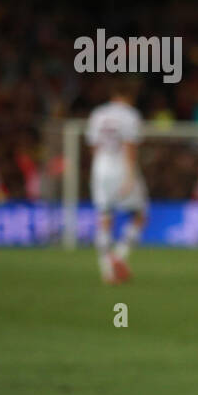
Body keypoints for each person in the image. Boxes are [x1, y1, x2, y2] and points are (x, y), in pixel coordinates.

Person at [85, 77, 147, 284]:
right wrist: (130, 176)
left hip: (100, 166)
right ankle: (118, 257)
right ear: (130, 96)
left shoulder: (97, 114)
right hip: (121, 166)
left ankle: (106, 270)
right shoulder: (130, 115)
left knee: (104, 217)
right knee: (140, 214)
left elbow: (93, 146)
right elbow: (130, 147)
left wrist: (95, 172)